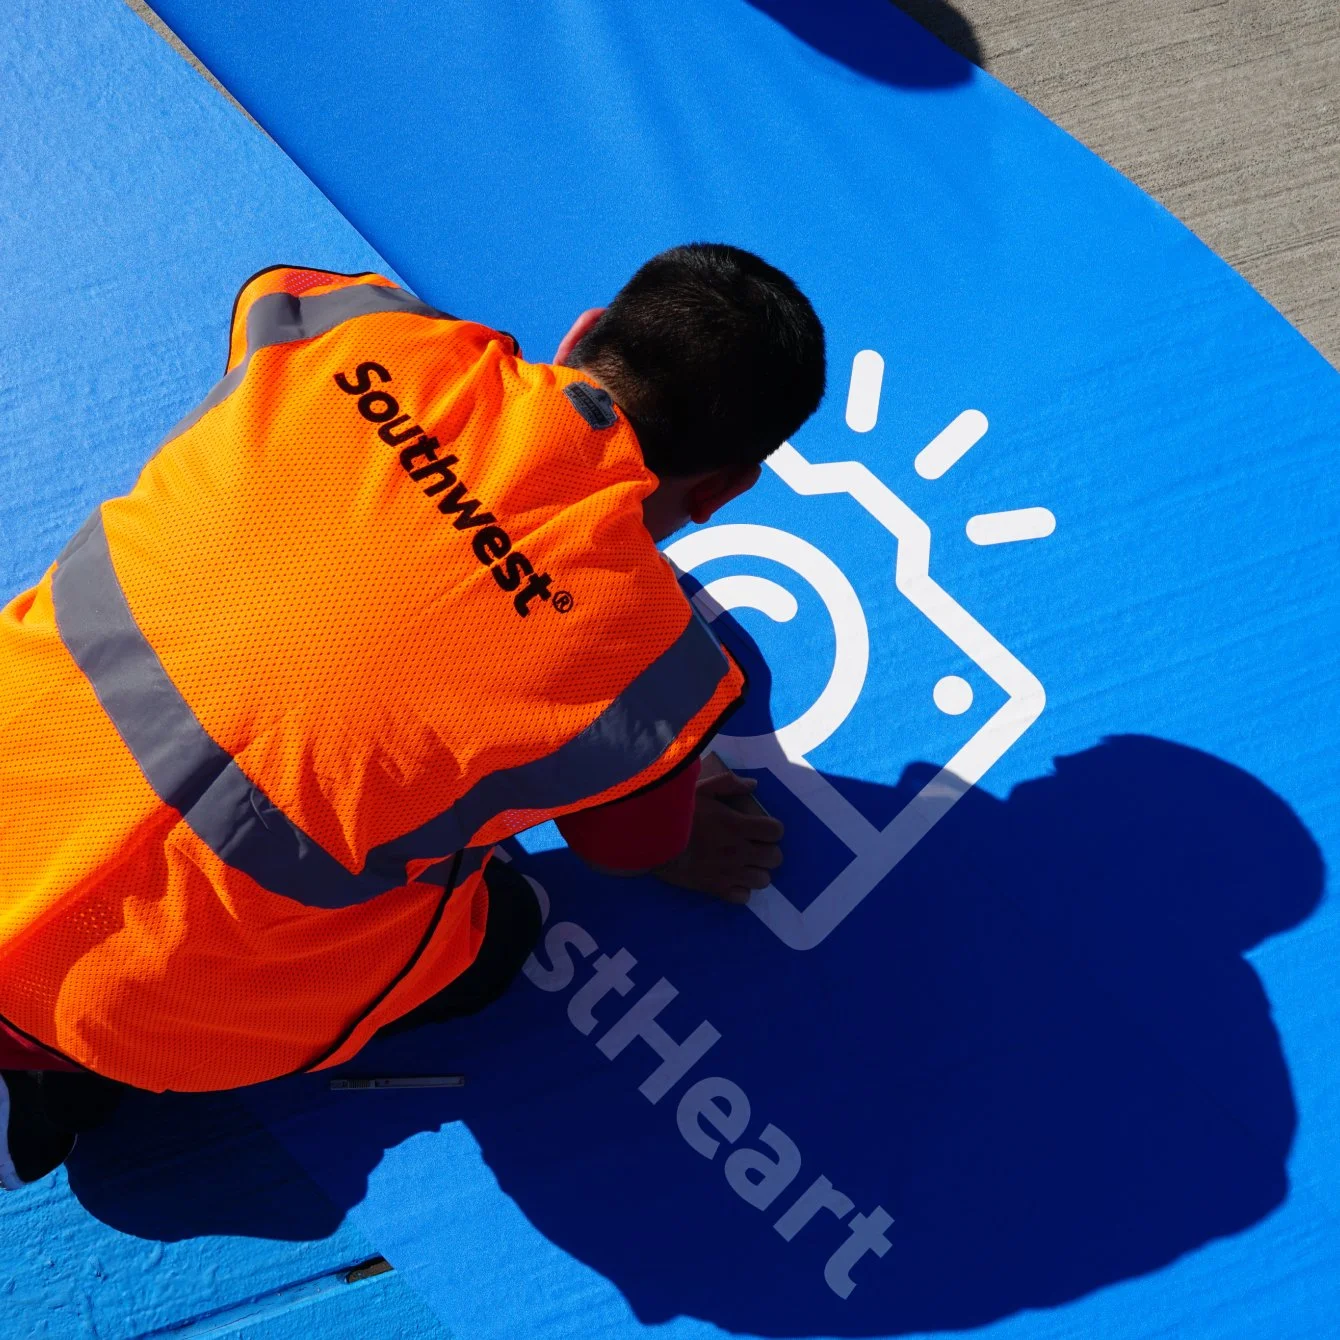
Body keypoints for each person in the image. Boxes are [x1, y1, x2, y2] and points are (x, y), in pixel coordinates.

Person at [0, 243, 825, 1188]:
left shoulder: (357, 334)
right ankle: (49, 1098)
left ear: (585, 332)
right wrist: (675, 811)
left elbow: (277, 284)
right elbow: (624, 849)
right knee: (503, 926)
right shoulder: (659, 674)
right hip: (130, 1013)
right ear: (724, 493)